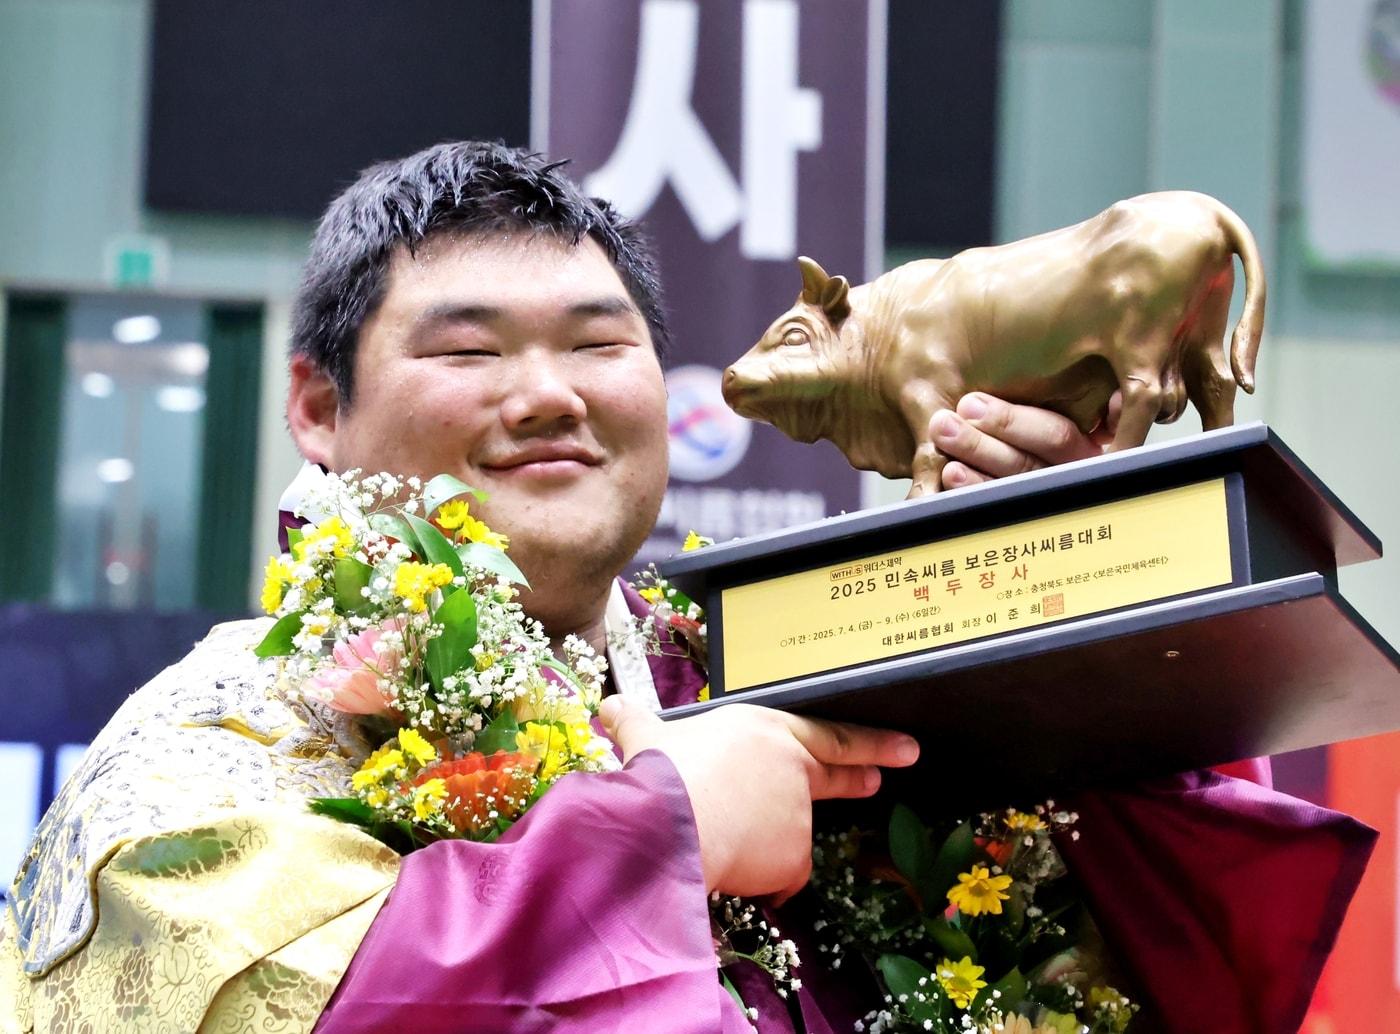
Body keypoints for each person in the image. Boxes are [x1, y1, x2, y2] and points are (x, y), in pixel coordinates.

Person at [0, 142, 1372, 1034]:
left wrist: (1035, 623)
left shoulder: (771, 679)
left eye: (599, 343)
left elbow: (1162, 940)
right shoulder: (217, 741)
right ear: (316, 403)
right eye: (469, 349)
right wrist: (655, 834)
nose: (549, 395)